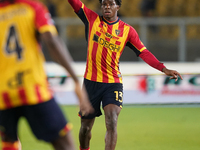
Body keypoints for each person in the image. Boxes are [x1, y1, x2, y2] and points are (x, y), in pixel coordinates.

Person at [67, 0, 183, 150]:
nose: (107, 6)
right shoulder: (91, 19)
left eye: (111, 3)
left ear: (118, 7)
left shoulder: (127, 31)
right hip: (91, 83)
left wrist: (163, 68)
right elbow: (74, 2)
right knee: (85, 129)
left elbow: (143, 52)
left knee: (112, 120)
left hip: (112, 83)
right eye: (104, 4)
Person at [0, 0, 93, 150]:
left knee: (10, 143)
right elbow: (51, 40)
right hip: (33, 90)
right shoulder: (32, 7)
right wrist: (76, 81)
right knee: (65, 144)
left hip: (3, 95)